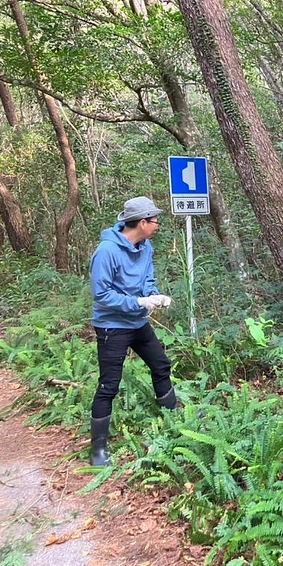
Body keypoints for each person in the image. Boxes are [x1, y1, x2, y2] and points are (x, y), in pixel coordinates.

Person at [88, 196, 175, 466]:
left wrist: (154, 296)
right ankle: (98, 452)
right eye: (155, 221)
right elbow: (101, 294)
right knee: (108, 385)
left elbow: (147, 279)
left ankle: (174, 421)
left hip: (138, 323)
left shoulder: (145, 247)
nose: (158, 225)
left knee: (161, 365)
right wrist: (137, 302)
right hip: (111, 326)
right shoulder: (107, 251)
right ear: (142, 222)